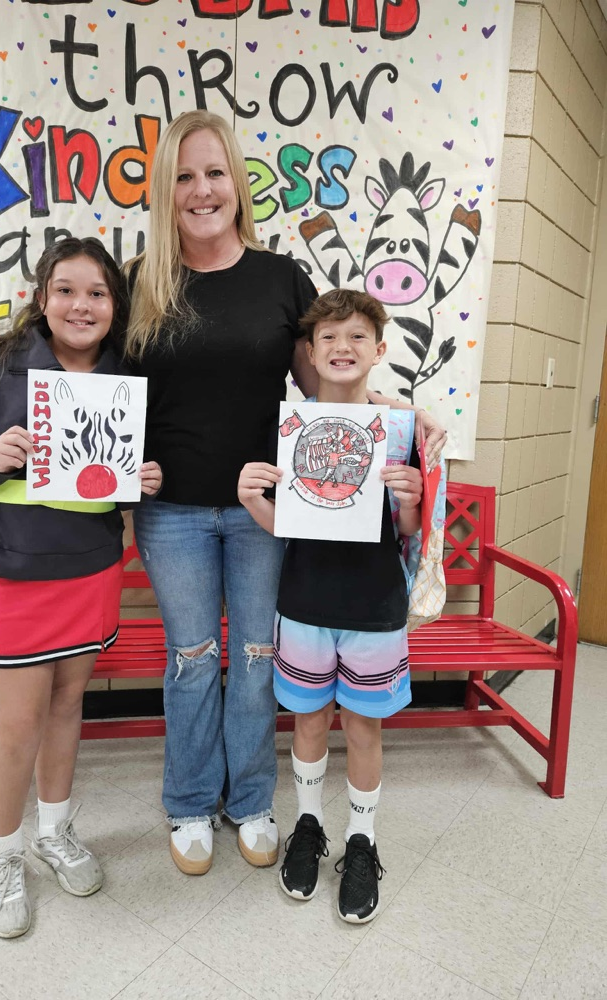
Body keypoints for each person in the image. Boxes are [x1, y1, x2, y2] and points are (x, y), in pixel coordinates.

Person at [123, 109, 444, 877]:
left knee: (259, 655)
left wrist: (401, 415)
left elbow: (327, 382)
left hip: (271, 507)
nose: (203, 190)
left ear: (237, 181)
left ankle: (254, 800)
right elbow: (111, 392)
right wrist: (117, 468)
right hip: (171, 513)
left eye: (215, 172)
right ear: (166, 191)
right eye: (185, 176)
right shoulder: (139, 281)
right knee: (195, 657)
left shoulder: (279, 278)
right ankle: (192, 801)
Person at [0, 238, 162, 939]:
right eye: (66, 289)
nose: (80, 304)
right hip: (12, 572)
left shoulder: (126, 374)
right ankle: (1, 855)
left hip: (89, 569)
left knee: (64, 708)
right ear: (41, 295)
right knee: (16, 723)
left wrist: (145, 480)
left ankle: (53, 832)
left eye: (97, 292)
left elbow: (132, 468)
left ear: (114, 306)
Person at [237, 287, 422, 923]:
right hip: (306, 602)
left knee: (363, 726)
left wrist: (410, 496)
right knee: (309, 720)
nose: (342, 347)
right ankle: (309, 826)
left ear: (379, 349)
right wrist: (253, 498)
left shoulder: (400, 430)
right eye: (328, 338)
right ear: (310, 353)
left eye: (356, 337)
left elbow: (411, 529)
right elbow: (283, 523)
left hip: (374, 606)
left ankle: (363, 841)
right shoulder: (293, 426)